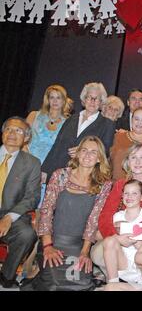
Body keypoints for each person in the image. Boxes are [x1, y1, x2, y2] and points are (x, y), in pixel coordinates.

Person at [21, 136, 113, 291]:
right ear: (77, 153)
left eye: (93, 152)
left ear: (99, 158)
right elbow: (47, 210)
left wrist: (85, 252)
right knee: (53, 284)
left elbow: (93, 220)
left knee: (81, 285)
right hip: (53, 241)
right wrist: (48, 245)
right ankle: (39, 263)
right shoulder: (60, 175)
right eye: (84, 150)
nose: (87, 155)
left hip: (79, 245)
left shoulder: (104, 184)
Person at [92, 143, 142, 274]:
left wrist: (136, 233)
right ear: (128, 161)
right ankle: (114, 280)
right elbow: (105, 216)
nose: (138, 162)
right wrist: (116, 237)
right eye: (133, 158)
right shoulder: (120, 185)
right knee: (98, 251)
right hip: (121, 240)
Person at [41, 82, 115, 182]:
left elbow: (104, 152)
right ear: (84, 100)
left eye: (96, 98)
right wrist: (45, 169)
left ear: (101, 102)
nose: (92, 101)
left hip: (84, 177)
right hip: (58, 172)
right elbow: (56, 145)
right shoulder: (71, 119)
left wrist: (83, 151)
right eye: (89, 97)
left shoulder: (107, 124)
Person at [0, 117, 41, 288]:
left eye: (18, 131)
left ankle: (6, 276)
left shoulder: (32, 163)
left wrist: (9, 218)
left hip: (12, 214)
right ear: (3, 133)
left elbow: (32, 197)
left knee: (26, 234)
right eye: (9, 129)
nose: (12, 133)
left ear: (26, 138)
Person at [103, 179, 142, 284]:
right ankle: (113, 283)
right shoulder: (117, 216)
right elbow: (100, 234)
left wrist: (127, 229)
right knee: (109, 241)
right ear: (122, 196)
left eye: (134, 193)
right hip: (122, 263)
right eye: (126, 193)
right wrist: (117, 237)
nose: (129, 196)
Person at [25, 84, 70, 164]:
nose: (55, 101)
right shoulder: (34, 115)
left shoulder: (68, 123)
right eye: (52, 97)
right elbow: (22, 139)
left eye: (58, 98)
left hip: (48, 168)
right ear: (48, 100)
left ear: (63, 101)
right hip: (26, 161)